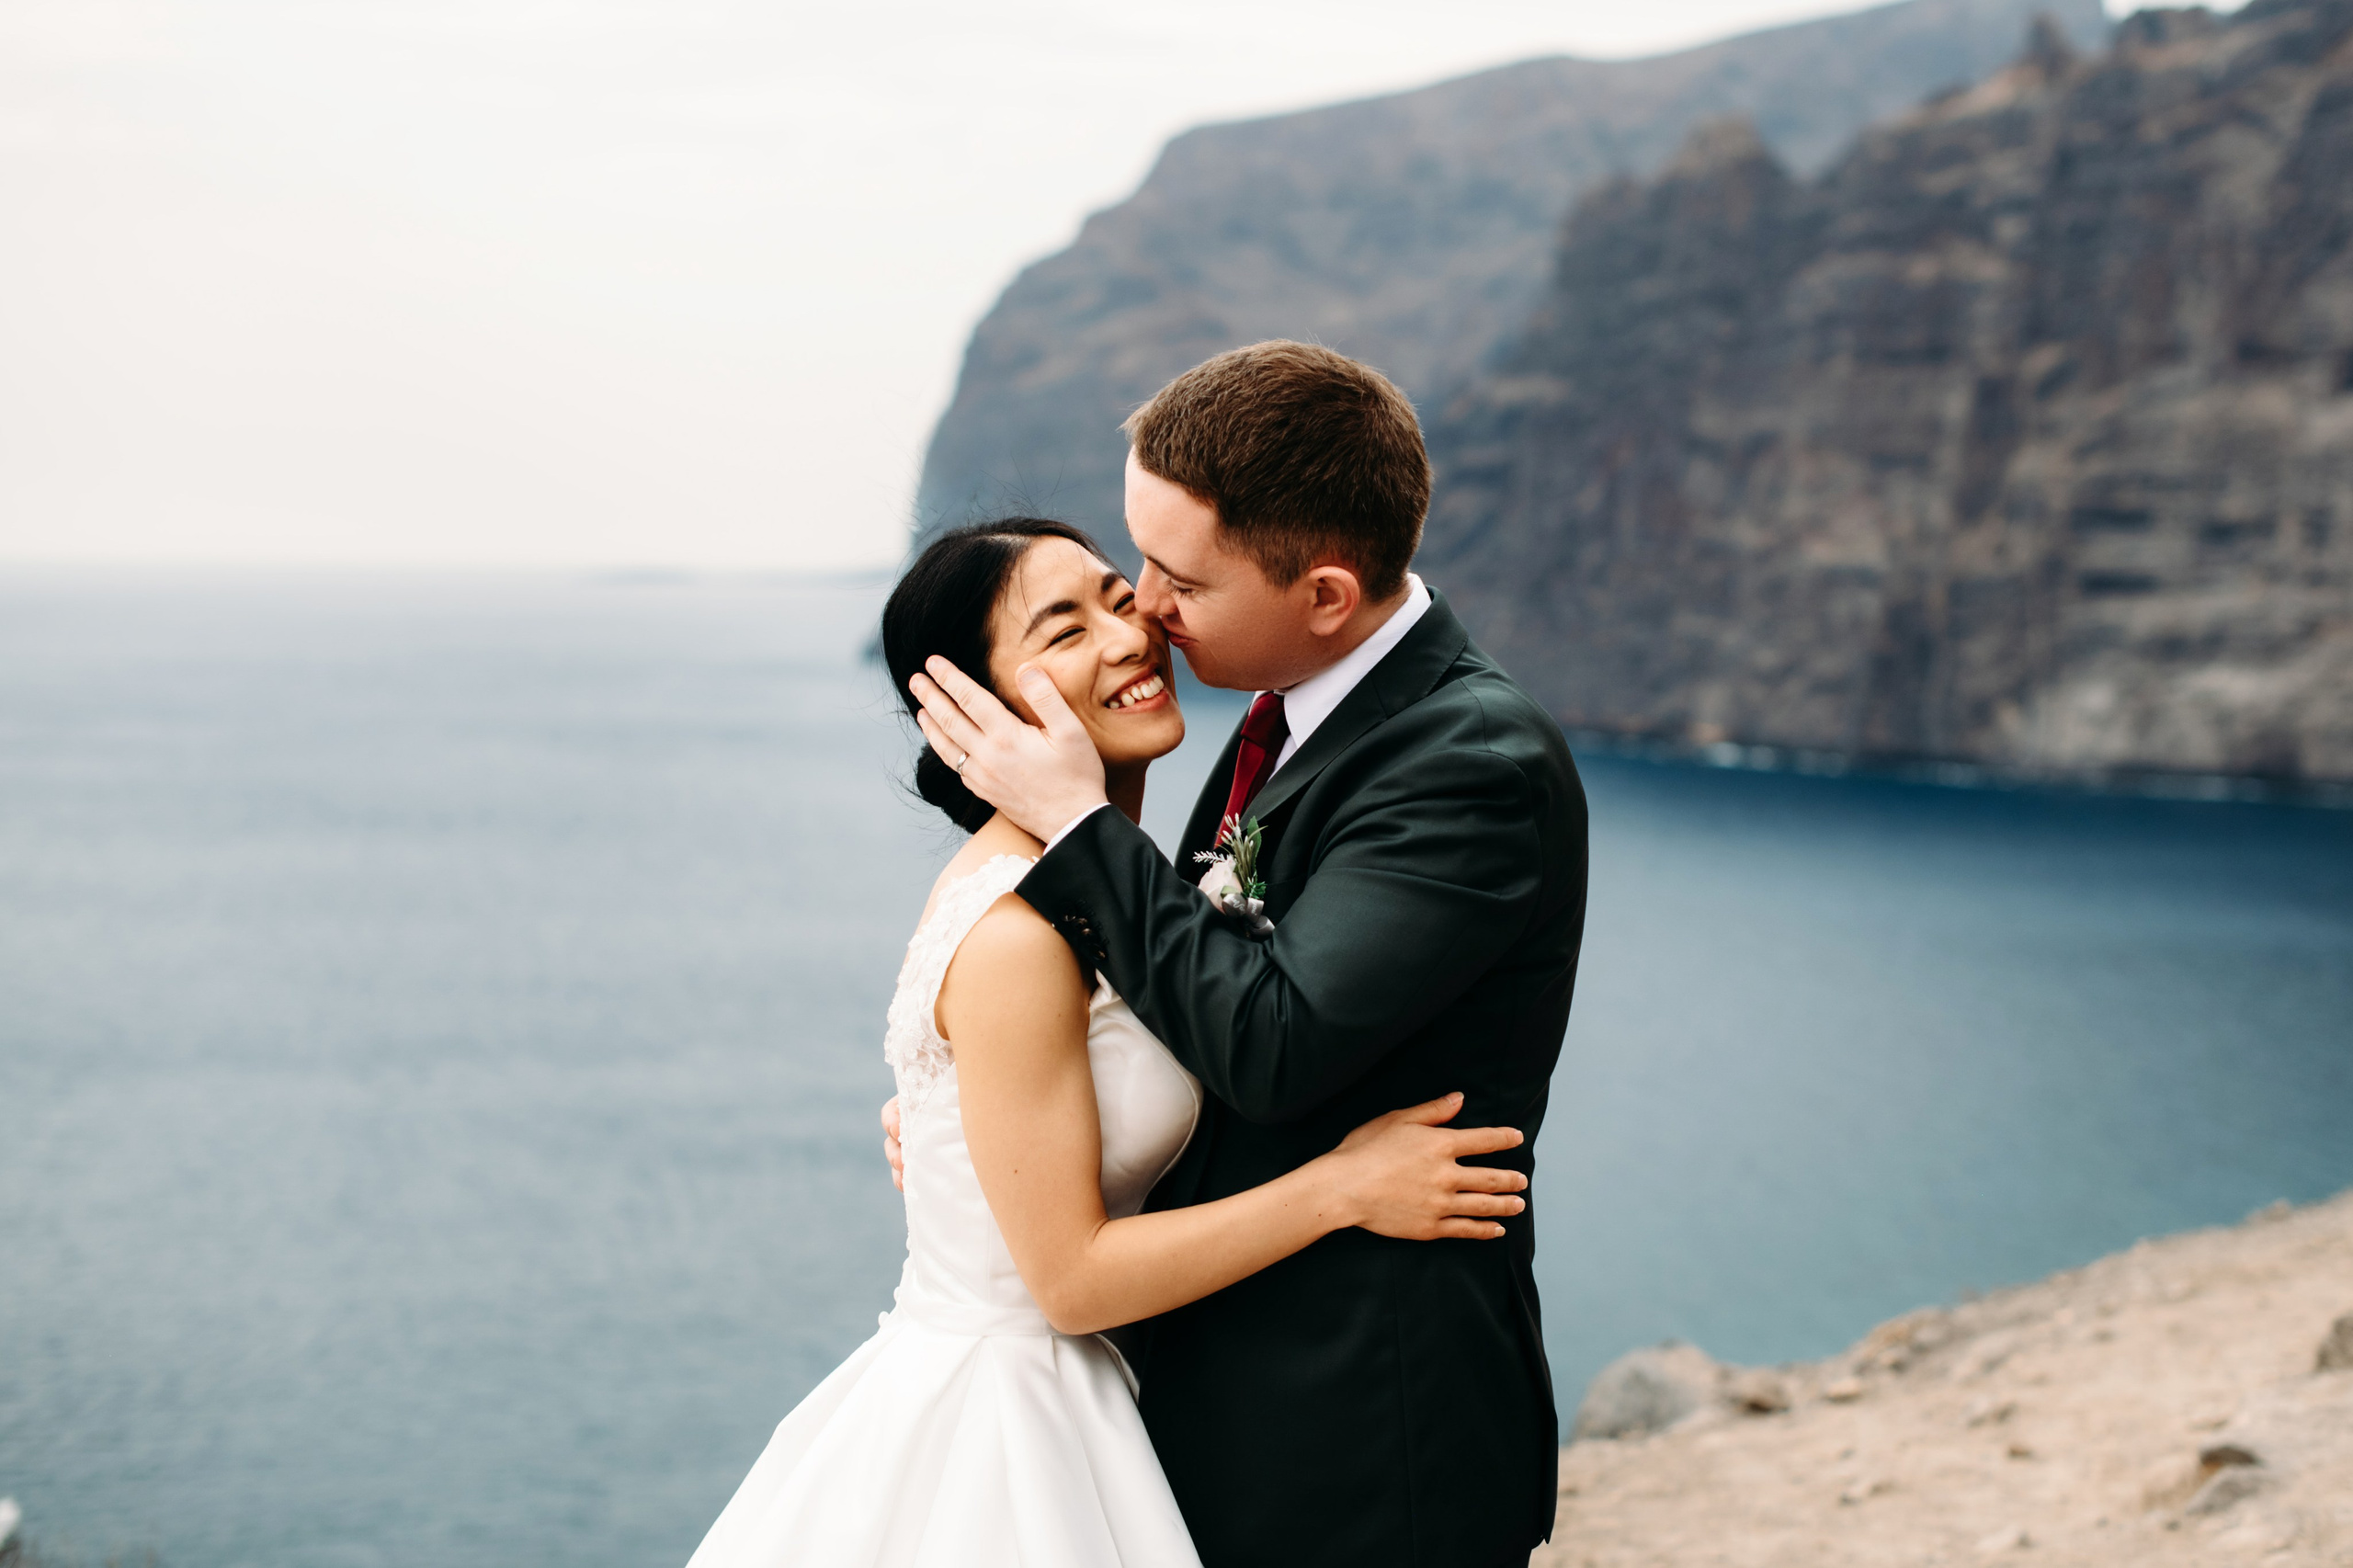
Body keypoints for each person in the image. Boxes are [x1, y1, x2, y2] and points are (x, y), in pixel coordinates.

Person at [684, 517, 1532, 1568]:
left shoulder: (1121, 884)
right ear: (975, 709)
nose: (1128, 633)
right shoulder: (1018, 931)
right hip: (1001, 1428)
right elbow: (1071, 1282)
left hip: (1100, 1394)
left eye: (1114, 595)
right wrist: (1343, 1187)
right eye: (1063, 628)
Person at [906, 343, 1589, 1567]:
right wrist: (982, 1113)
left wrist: (1071, 823)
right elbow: (1170, 983)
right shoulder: (1284, 717)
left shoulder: (1464, 763)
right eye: (1133, 565)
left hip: (1361, 1432)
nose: (1148, 611)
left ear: (1324, 594)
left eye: (1177, 579)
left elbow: (1271, 1043)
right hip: (1196, 1408)